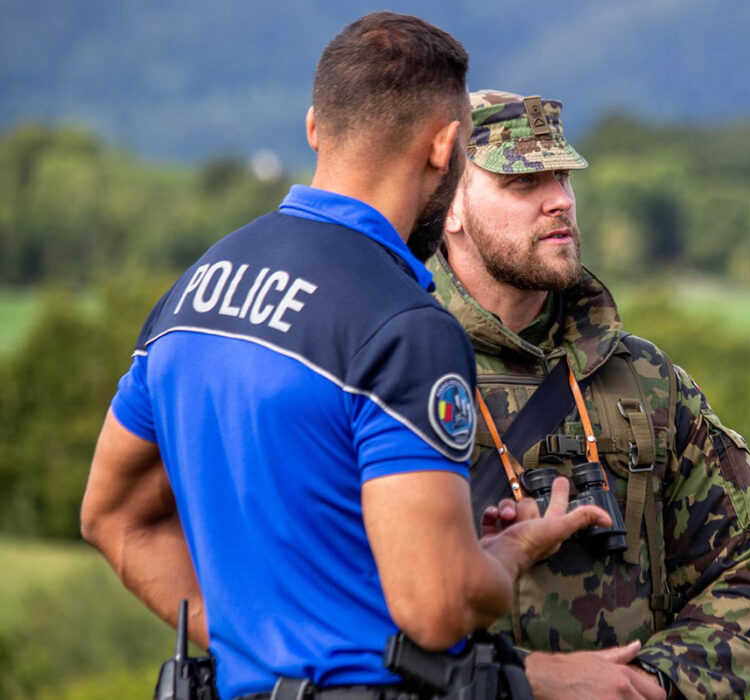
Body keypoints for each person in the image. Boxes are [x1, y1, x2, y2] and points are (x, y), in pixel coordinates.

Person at [79, 19, 608, 700]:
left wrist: (257, 645)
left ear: (314, 128)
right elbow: (438, 605)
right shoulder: (404, 325)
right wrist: (509, 553)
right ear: (444, 148)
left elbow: (112, 516)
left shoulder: (195, 289)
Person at [429, 89, 750, 699]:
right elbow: (334, 604)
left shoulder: (645, 380)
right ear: (449, 208)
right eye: (523, 182)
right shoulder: (391, 370)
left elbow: (749, 574)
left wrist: (642, 684)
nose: (560, 201)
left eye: (564, 177)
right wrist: (526, 684)